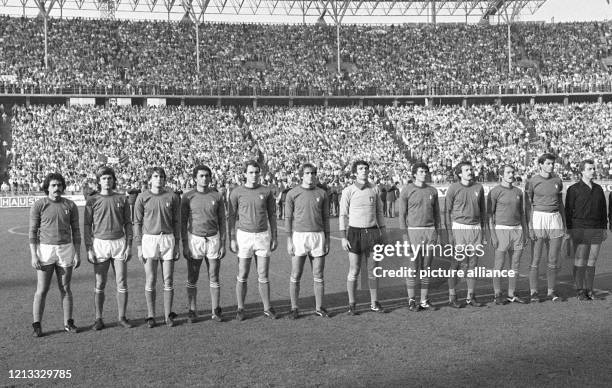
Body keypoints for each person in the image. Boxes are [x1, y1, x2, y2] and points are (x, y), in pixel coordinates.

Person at [29, 172, 81, 337]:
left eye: (59, 185)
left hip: (65, 249)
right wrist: (34, 255)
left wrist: (77, 253)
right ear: (47, 187)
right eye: (53, 185)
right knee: (42, 289)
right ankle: (37, 324)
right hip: (45, 250)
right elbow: (32, 231)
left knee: (65, 288)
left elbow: (76, 230)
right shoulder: (39, 205)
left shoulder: (70, 205)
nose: (57, 188)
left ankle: (68, 322)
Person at [84, 166, 133, 330]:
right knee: (100, 282)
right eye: (104, 178)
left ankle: (122, 317)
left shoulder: (122, 199)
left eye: (109, 178)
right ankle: (98, 319)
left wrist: (129, 246)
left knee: (122, 281)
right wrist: (89, 248)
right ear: (99, 181)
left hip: (119, 243)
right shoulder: (92, 200)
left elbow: (128, 223)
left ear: (113, 180)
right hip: (100, 244)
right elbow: (86, 225)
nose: (107, 181)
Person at [228, 160, 278, 321]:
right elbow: (231, 217)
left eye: (257, 172)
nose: (254, 175)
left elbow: (272, 215)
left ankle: (267, 308)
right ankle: (241, 308)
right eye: (251, 172)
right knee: (243, 273)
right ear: (244, 174)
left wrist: (275, 236)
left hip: (263, 236)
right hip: (244, 236)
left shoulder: (267, 191)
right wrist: (232, 238)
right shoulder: (236, 192)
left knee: (263, 274)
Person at [134, 167, 181, 328]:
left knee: (168, 279)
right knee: (151, 279)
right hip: (149, 240)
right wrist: (139, 245)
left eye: (161, 176)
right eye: (155, 176)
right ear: (150, 179)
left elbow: (177, 221)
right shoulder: (142, 197)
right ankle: (151, 315)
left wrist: (177, 244)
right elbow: (137, 223)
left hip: (168, 238)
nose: (159, 179)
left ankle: (168, 315)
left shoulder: (172, 197)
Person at [339, 160, 386, 315]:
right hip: (354, 233)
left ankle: (374, 302)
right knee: (354, 270)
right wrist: (343, 237)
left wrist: (383, 232)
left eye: (366, 168)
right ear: (355, 172)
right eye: (360, 169)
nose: (364, 170)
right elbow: (342, 215)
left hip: (372, 232)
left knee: (373, 270)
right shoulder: (348, 191)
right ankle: (352, 304)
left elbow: (379, 212)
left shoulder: (374, 189)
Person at [181, 165, 226, 323]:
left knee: (214, 275)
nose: (204, 178)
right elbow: (182, 222)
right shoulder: (188, 197)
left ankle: (216, 309)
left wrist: (223, 243)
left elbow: (222, 221)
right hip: (195, 239)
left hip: (213, 239)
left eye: (207, 175)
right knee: (192, 276)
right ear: (195, 178)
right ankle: (192, 310)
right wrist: (185, 244)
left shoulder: (217, 196)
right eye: (201, 176)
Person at [285, 163, 331, 319]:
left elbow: (326, 218)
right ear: (301, 175)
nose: (310, 175)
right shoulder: (292, 193)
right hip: (299, 236)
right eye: (307, 173)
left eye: (313, 173)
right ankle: (294, 308)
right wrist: (289, 240)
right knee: (296, 273)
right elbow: (288, 218)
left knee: (318, 273)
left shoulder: (322, 193)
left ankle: (319, 307)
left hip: (318, 236)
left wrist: (328, 239)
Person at [525, 153, 568, 303]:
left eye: (552, 164)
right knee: (536, 258)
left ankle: (551, 291)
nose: (551, 166)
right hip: (538, 218)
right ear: (541, 165)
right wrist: (530, 226)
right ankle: (534, 292)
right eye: (548, 163)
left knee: (553, 259)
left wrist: (564, 224)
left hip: (555, 219)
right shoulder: (533, 181)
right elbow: (528, 205)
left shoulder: (558, 180)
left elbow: (561, 203)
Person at [398, 162, 440, 311]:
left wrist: (437, 233)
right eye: (421, 171)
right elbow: (402, 216)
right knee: (413, 267)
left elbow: (437, 215)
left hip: (429, 232)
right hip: (413, 232)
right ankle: (411, 300)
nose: (424, 174)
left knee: (427, 268)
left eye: (426, 171)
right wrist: (405, 238)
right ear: (414, 174)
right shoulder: (407, 190)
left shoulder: (433, 191)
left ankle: (424, 300)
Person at [445, 161, 487, 308]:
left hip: (475, 229)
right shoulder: (453, 188)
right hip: (459, 228)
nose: (470, 171)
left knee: (473, 264)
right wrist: (450, 234)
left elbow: (483, 212)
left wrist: (484, 231)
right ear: (459, 174)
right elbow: (447, 212)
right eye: (466, 170)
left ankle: (471, 296)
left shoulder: (479, 188)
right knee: (456, 264)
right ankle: (452, 296)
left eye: (471, 169)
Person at [565, 159, 608, 300]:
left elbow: (603, 210)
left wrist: (604, 228)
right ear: (582, 171)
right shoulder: (573, 189)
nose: (593, 171)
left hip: (596, 228)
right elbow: (568, 211)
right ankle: (580, 290)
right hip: (580, 228)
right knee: (580, 259)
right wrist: (569, 230)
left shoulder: (598, 189)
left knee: (592, 259)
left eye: (593, 168)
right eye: (589, 169)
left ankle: (589, 290)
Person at [488, 165, 528, 305]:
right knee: (499, 265)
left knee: (515, 264)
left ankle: (511, 294)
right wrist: (493, 235)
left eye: (512, 172)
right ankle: (497, 294)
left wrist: (526, 231)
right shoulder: (495, 192)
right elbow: (490, 216)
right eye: (508, 172)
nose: (511, 175)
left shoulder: (519, 191)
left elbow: (522, 213)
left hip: (517, 231)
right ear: (501, 175)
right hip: (501, 231)